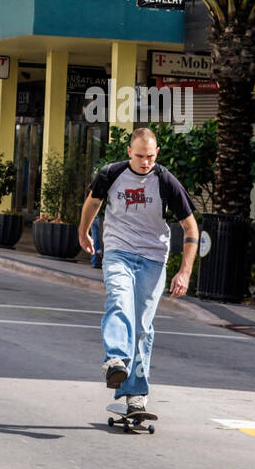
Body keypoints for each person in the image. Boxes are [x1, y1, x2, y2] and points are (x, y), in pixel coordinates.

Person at [78, 125, 198, 417]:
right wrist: (83, 233)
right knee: (119, 301)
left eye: (150, 156)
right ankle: (116, 361)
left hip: (153, 258)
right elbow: (93, 202)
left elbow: (190, 227)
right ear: (129, 152)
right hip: (118, 251)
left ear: (157, 153)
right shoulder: (111, 173)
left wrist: (184, 272)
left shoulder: (165, 180)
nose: (145, 162)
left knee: (143, 327)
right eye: (140, 156)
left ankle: (135, 395)